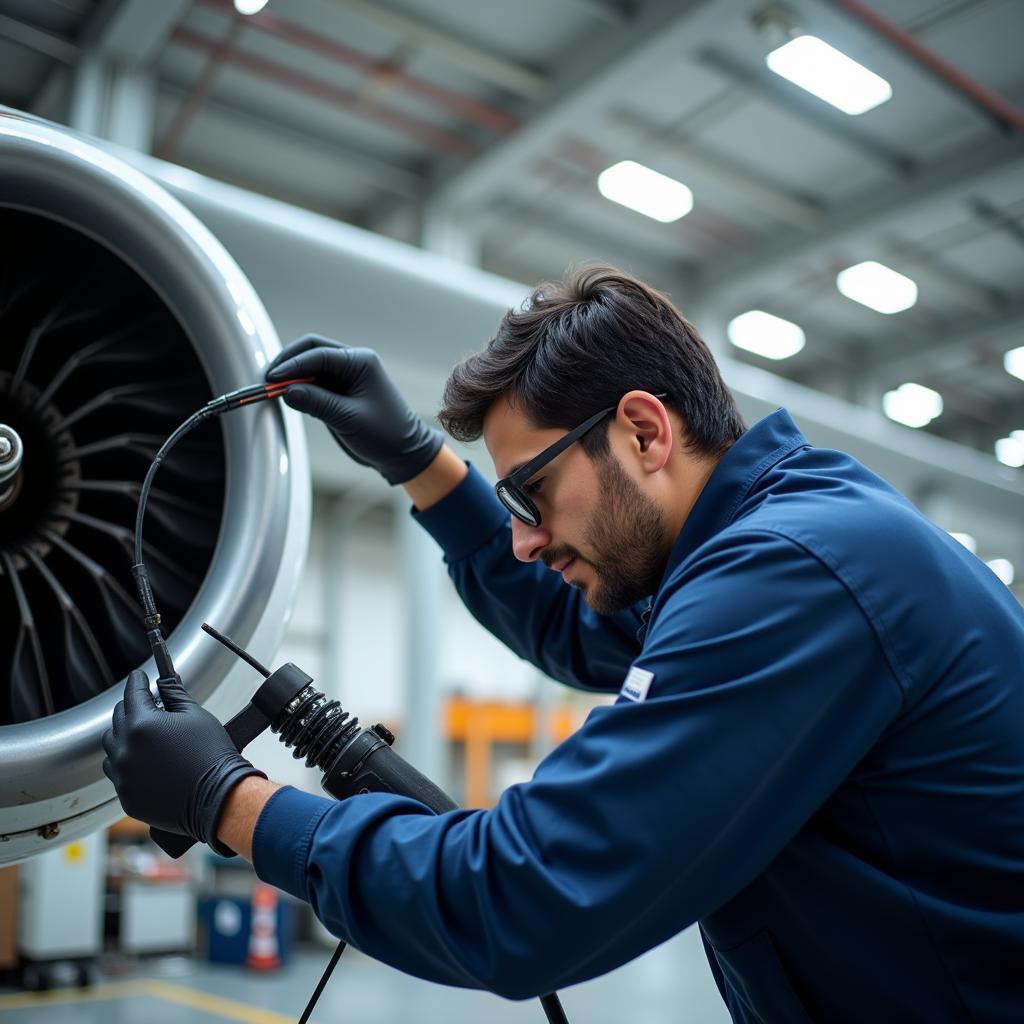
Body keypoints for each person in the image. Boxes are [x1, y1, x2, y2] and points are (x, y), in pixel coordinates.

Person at [103, 265, 1024, 1022]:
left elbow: (524, 899)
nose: (525, 539)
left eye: (530, 496)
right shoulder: (758, 542)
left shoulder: (797, 576)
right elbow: (576, 626)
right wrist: (419, 459)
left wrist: (230, 803)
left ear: (644, 431)